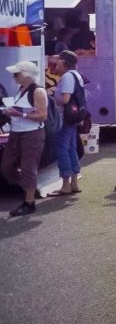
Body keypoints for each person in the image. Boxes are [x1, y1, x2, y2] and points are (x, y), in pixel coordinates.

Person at [2, 61, 48, 216]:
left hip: (32, 134)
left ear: (27, 75)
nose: (13, 77)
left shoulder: (38, 91)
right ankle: (29, 187)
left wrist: (19, 114)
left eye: (16, 74)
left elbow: (43, 116)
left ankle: (29, 202)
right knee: (6, 166)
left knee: (29, 167)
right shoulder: (21, 89)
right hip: (16, 132)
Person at [48, 51, 85, 197]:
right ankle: (74, 183)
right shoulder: (76, 74)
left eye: (58, 61)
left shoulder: (67, 77)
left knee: (61, 148)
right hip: (73, 117)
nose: (55, 64)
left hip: (64, 117)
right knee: (71, 148)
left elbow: (65, 99)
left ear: (64, 62)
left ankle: (65, 185)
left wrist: (52, 98)